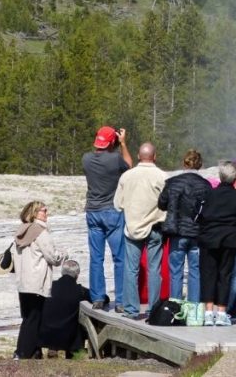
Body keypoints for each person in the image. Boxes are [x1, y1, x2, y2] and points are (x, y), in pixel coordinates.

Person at [198, 160, 236, 326]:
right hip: (231, 239)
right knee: (225, 275)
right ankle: (222, 313)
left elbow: (197, 216)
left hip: (209, 239)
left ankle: (208, 313)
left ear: (220, 176)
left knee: (208, 275)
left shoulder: (208, 195)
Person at [113, 142, 166, 319]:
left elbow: (118, 204)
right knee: (154, 270)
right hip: (155, 227)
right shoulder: (162, 176)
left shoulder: (127, 176)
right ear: (155, 156)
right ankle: (153, 309)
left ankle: (131, 309)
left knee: (131, 269)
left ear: (138, 156)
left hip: (133, 228)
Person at [82, 125, 132, 311]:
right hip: (112, 211)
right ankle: (120, 301)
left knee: (96, 258)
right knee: (119, 257)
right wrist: (124, 144)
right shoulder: (114, 158)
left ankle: (97, 298)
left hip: (93, 212)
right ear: (112, 141)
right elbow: (129, 166)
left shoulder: (86, 159)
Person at [14, 201, 67, 359]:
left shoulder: (21, 230)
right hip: (37, 281)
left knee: (28, 318)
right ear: (34, 213)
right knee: (35, 319)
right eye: (43, 211)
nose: (46, 213)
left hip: (23, 282)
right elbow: (53, 257)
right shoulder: (40, 232)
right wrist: (65, 254)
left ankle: (31, 352)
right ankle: (24, 353)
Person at [158, 149, 211, 303]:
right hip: (197, 233)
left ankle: (175, 306)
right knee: (195, 271)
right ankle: (194, 308)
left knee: (176, 271)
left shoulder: (173, 182)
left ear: (184, 163)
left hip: (177, 231)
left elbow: (161, 203)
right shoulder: (206, 185)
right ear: (200, 165)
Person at [37, 260, 89, 358]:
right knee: (76, 321)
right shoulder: (80, 291)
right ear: (77, 275)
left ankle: (53, 348)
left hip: (46, 333)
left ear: (62, 272)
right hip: (69, 336)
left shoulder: (49, 286)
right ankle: (73, 353)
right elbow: (103, 298)